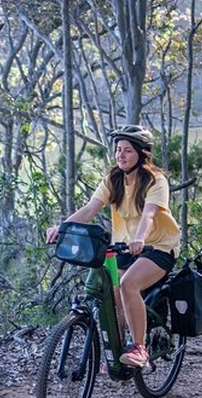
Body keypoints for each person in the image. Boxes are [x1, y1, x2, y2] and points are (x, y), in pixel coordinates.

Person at [46, 124, 181, 368]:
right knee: (112, 294)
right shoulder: (113, 179)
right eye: (118, 149)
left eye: (128, 150)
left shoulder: (155, 181)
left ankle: (139, 348)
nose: (121, 155)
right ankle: (119, 352)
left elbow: (149, 215)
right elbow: (90, 209)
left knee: (129, 284)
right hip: (124, 248)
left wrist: (140, 238)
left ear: (142, 154)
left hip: (157, 247)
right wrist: (62, 228)